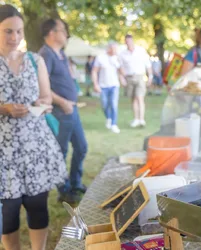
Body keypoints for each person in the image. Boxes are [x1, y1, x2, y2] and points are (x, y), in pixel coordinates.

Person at [0, 5, 67, 250]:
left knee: (38, 205)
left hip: (35, 147)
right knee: (8, 210)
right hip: (3, 152)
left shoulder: (34, 60)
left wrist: (42, 103)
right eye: (8, 31)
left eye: (18, 32)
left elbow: (47, 98)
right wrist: (3, 108)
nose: (14, 38)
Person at [39, 18, 88, 203]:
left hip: (72, 111)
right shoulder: (45, 54)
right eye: (62, 30)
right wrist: (62, 101)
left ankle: (75, 183)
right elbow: (41, 86)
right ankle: (64, 191)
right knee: (60, 151)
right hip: (60, 112)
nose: (66, 33)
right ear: (52, 33)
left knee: (81, 147)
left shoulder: (61, 54)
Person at [119, 34, 153, 128]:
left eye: (129, 41)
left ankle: (142, 119)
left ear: (132, 41)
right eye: (126, 41)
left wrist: (150, 76)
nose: (128, 43)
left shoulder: (140, 51)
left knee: (140, 97)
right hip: (129, 77)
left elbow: (148, 64)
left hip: (140, 76)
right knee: (133, 99)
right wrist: (122, 78)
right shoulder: (122, 54)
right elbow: (120, 67)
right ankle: (136, 119)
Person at [92, 42, 123, 133]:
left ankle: (114, 124)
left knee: (113, 104)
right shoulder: (100, 58)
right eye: (113, 49)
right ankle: (108, 117)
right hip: (103, 86)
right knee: (104, 105)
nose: (115, 51)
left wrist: (119, 62)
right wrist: (95, 84)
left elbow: (122, 72)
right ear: (108, 48)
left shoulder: (117, 58)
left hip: (114, 85)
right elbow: (94, 71)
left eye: (116, 49)